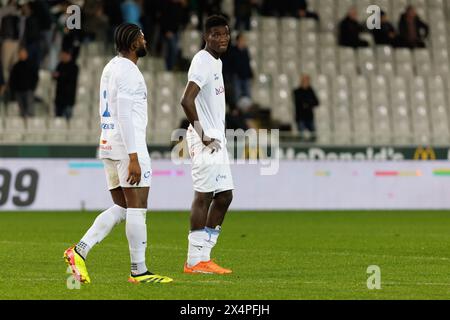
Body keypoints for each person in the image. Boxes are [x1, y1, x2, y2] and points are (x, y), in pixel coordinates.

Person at [64, 23, 173, 285]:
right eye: (142, 37)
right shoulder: (128, 70)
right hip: (127, 145)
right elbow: (124, 112)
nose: (145, 40)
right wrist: (134, 157)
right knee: (137, 208)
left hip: (109, 143)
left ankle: (79, 251)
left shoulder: (111, 66)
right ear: (133, 42)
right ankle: (139, 271)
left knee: (123, 206)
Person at [180, 15, 234, 275]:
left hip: (217, 137)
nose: (222, 38)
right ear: (206, 36)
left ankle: (205, 256)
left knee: (224, 196)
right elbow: (186, 100)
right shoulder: (202, 61)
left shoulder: (217, 62)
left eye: (225, 34)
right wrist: (201, 134)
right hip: (205, 138)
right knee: (203, 197)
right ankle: (193, 260)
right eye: (216, 34)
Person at [8, 47, 38, 118]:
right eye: (20, 54)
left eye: (23, 53)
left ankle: (31, 125)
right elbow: (12, 79)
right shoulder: (16, 66)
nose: (22, 55)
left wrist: (32, 87)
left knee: (30, 110)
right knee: (22, 111)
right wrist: (14, 89)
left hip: (28, 90)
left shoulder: (31, 65)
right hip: (19, 91)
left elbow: (35, 77)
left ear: (26, 54)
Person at [53, 50, 79, 119]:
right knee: (58, 119)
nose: (63, 57)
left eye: (64, 55)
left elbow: (69, 78)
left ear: (69, 55)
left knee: (68, 119)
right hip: (59, 98)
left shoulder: (74, 67)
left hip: (68, 98)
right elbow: (54, 76)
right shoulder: (60, 65)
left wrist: (60, 75)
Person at [293, 74, 319, 142]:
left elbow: (316, 102)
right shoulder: (297, 91)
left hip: (309, 117)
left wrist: (307, 104)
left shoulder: (311, 90)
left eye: (307, 80)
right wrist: (309, 102)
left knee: (313, 136)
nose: (306, 82)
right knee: (301, 136)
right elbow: (300, 103)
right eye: (304, 80)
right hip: (300, 117)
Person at [229, 33, 253, 103]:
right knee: (237, 94)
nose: (243, 42)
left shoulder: (246, 50)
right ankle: (238, 110)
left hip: (246, 76)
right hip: (237, 76)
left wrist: (251, 74)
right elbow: (232, 64)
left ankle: (248, 110)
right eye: (242, 40)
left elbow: (247, 63)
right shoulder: (233, 50)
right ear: (237, 41)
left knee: (248, 94)